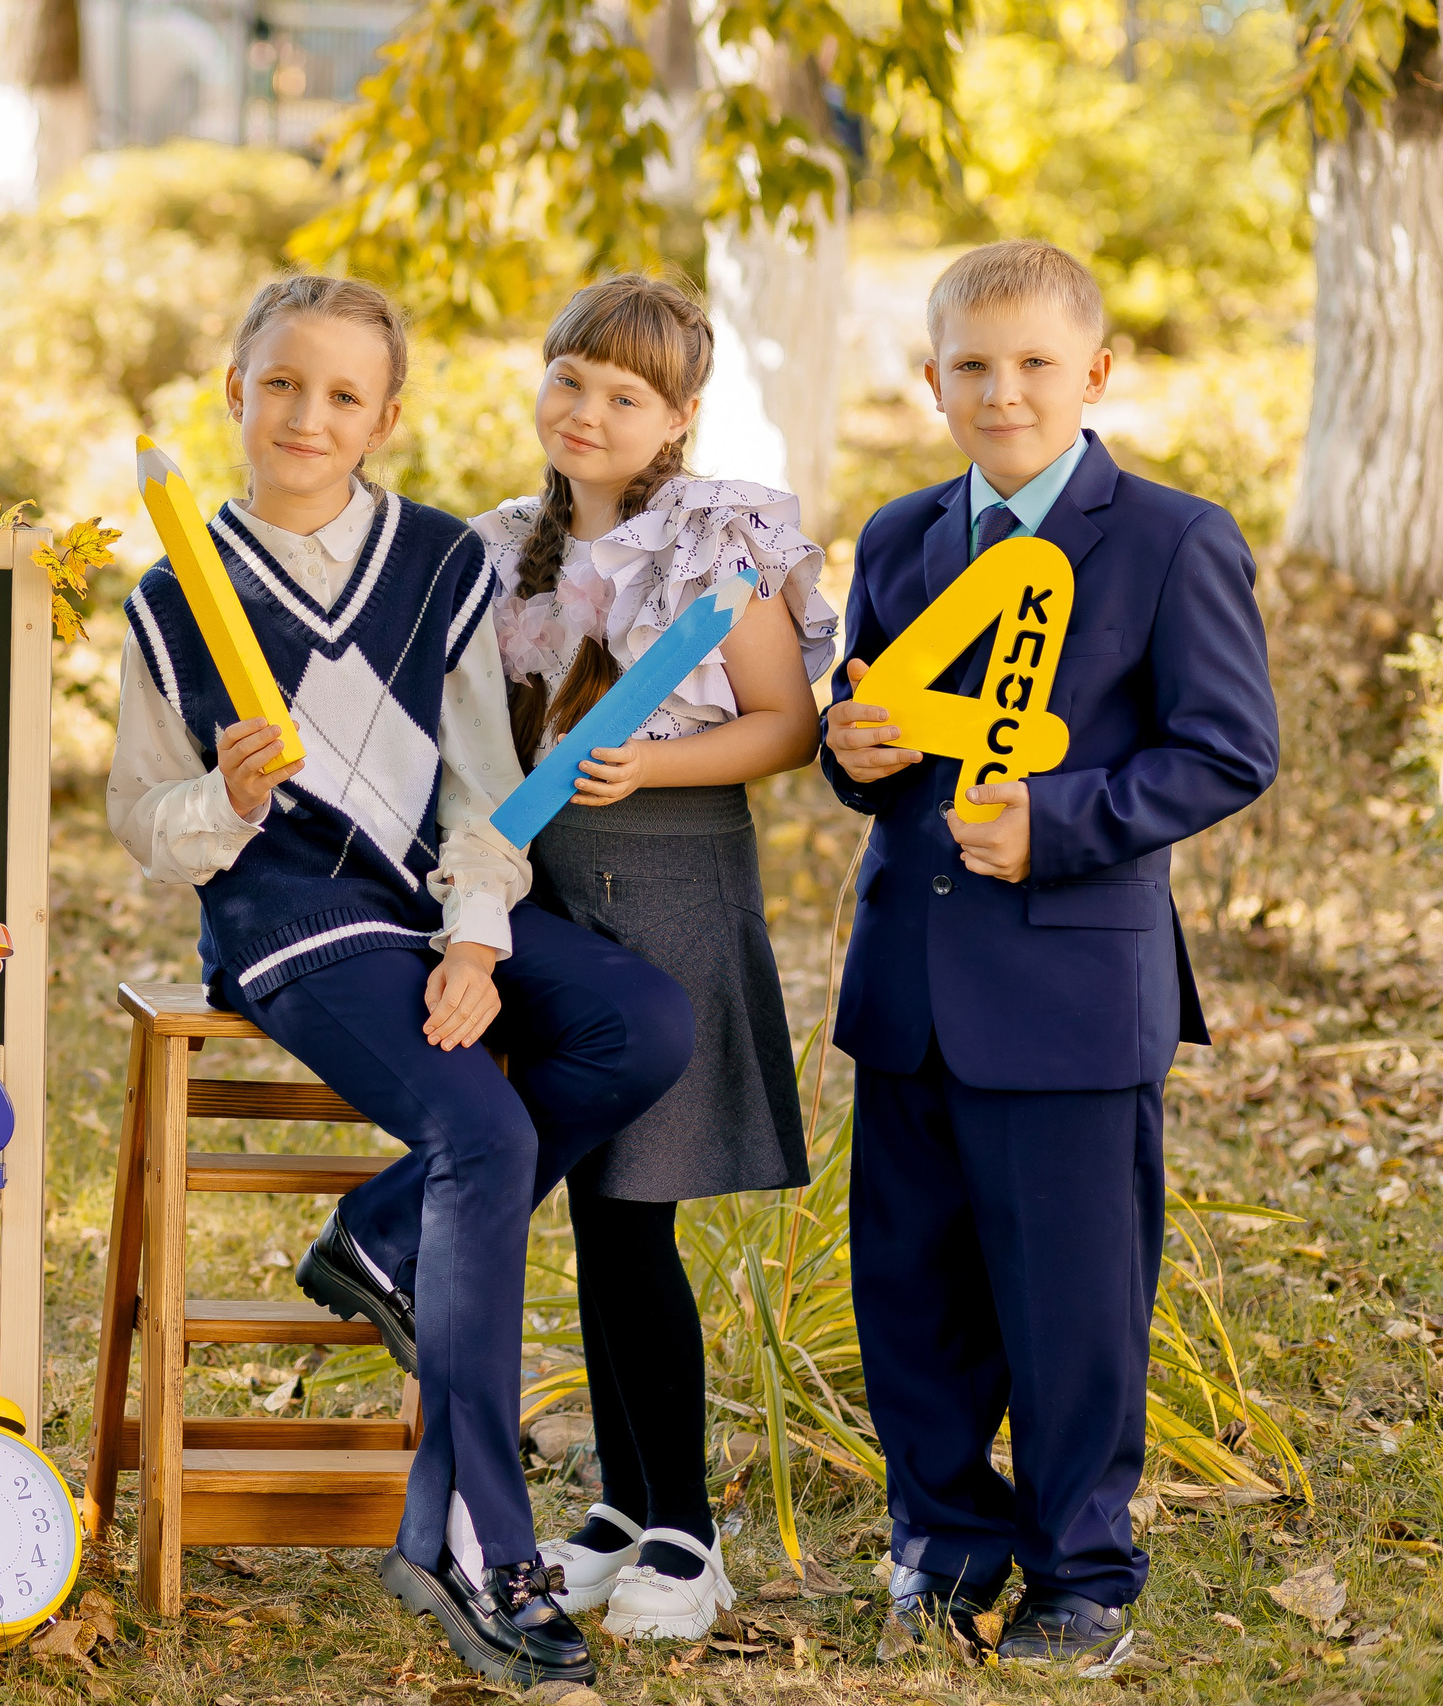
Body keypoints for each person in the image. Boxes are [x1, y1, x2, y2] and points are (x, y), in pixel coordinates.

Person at [107, 274, 693, 1689]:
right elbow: (141, 818)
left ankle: (383, 1234)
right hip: (289, 917)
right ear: (234, 389)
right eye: (281, 384)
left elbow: (484, 779)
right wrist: (226, 799)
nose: (307, 416)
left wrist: (479, 932)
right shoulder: (173, 596)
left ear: (386, 416)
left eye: (343, 394)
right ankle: (482, 1543)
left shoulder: (436, 561)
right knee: (479, 1131)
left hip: (428, 891)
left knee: (641, 1022)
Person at [823, 239, 1276, 1670]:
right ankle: (944, 1545)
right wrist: (850, 749)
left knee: (1072, 1298)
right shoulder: (899, 535)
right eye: (972, 365)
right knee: (911, 1290)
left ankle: (1084, 1572)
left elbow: (1229, 747)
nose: (1002, 391)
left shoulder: (1170, 539)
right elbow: (871, 723)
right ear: (932, 380)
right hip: (911, 980)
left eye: (1034, 363)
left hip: (1071, 984)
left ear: (1096, 373)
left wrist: (1063, 823)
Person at [473, 274, 835, 1640]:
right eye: (570, 378)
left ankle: (686, 1529)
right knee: (593, 1206)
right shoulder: (503, 545)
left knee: (637, 1211)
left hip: (672, 879)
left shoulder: (716, 539)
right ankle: (625, 1510)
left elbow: (786, 723)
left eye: (625, 394)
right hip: (548, 894)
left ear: (677, 416)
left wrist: (653, 762)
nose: (588, 411)